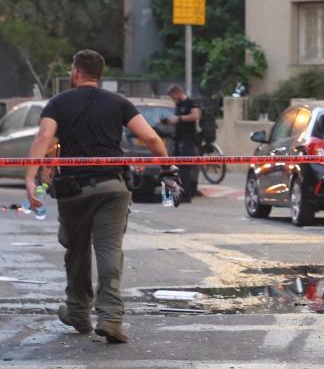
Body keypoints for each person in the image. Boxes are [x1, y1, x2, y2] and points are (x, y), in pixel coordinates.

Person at [24, 50, 180, 344]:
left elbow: (44, 138)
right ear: (100, 75)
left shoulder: (58, 103)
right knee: (109, 250)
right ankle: (110, 318)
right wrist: (168, 168)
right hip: (113, 186)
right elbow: (150, 138)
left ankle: (79, 313)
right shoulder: (118, 102)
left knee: (77, 250)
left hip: (74, 190)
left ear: (75, 72)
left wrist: (31, 178)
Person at [163, 85, 201, 202]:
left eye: (173, 97)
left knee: (185, 167)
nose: (173, 100)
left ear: (177, 92)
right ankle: (177, 193)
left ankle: (187, 194)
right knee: (175, 167)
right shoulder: (179, 105)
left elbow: (195, 115)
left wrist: (178, 119)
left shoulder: (190, 103)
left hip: (188, 140)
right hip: (178, 140)